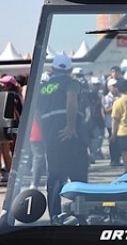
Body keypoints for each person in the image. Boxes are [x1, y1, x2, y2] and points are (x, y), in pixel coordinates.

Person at [38, 54, 90, 219]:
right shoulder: (72, 83)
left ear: (52, 68)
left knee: (54, 176)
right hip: (72, 136)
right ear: (69, 70)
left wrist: (45, 132)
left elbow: (37, 113)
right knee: (78, 175)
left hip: (52, 136)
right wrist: (71, 126)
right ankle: (80, 213)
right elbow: (71, 99)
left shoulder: (43, 87)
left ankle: (55, 215)